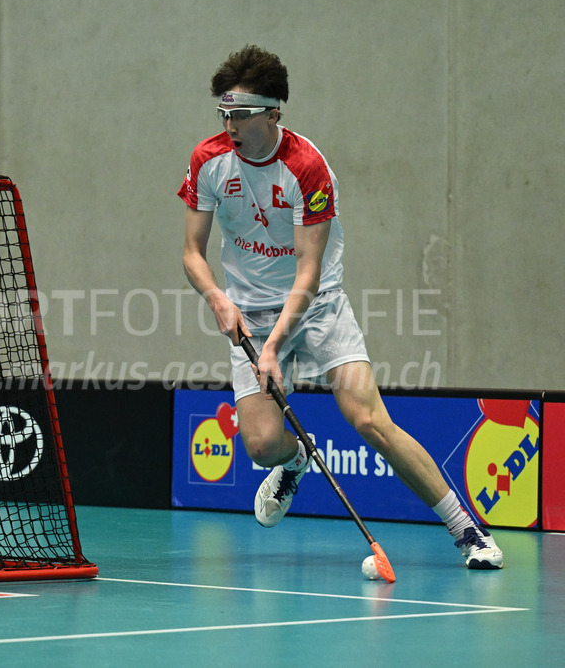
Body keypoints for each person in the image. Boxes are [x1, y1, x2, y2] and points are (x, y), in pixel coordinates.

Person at [178, 45, 503, 569]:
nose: (230, 124)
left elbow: (308, 272)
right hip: (248, 315)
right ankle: (297, 457)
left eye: (241, 114)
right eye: (224, 113)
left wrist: (275, 347)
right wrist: (217, 297)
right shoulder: (208, 160)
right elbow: (192, 253)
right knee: (262, 445)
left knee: (369, 420)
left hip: (316, 307)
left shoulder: (307, 169)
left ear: (273, 113)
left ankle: (467, 530)